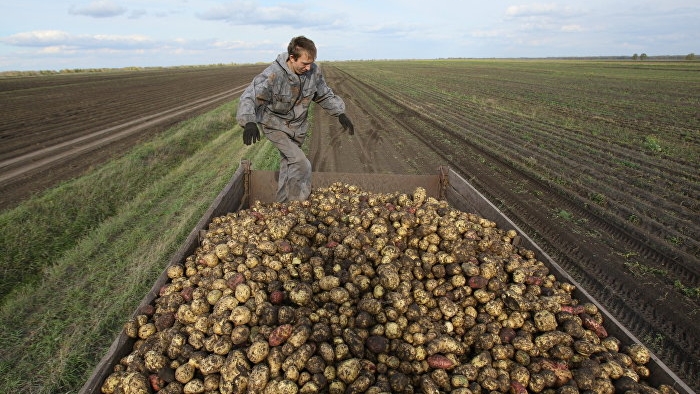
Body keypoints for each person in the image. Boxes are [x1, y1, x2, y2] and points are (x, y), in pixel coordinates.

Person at [237, 36, 354, 202]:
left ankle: (282, 205)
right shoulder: (273, 74)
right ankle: (296, 204)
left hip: (297, 128)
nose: (308, 67)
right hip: (275, 125)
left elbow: (323, 94)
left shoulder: (313, 72)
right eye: (304, 64)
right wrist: (249, 121)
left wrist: (340, 113)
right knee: (300, 163)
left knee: (289, 164)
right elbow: (250, 96)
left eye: (311, 63)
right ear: (292, 58)